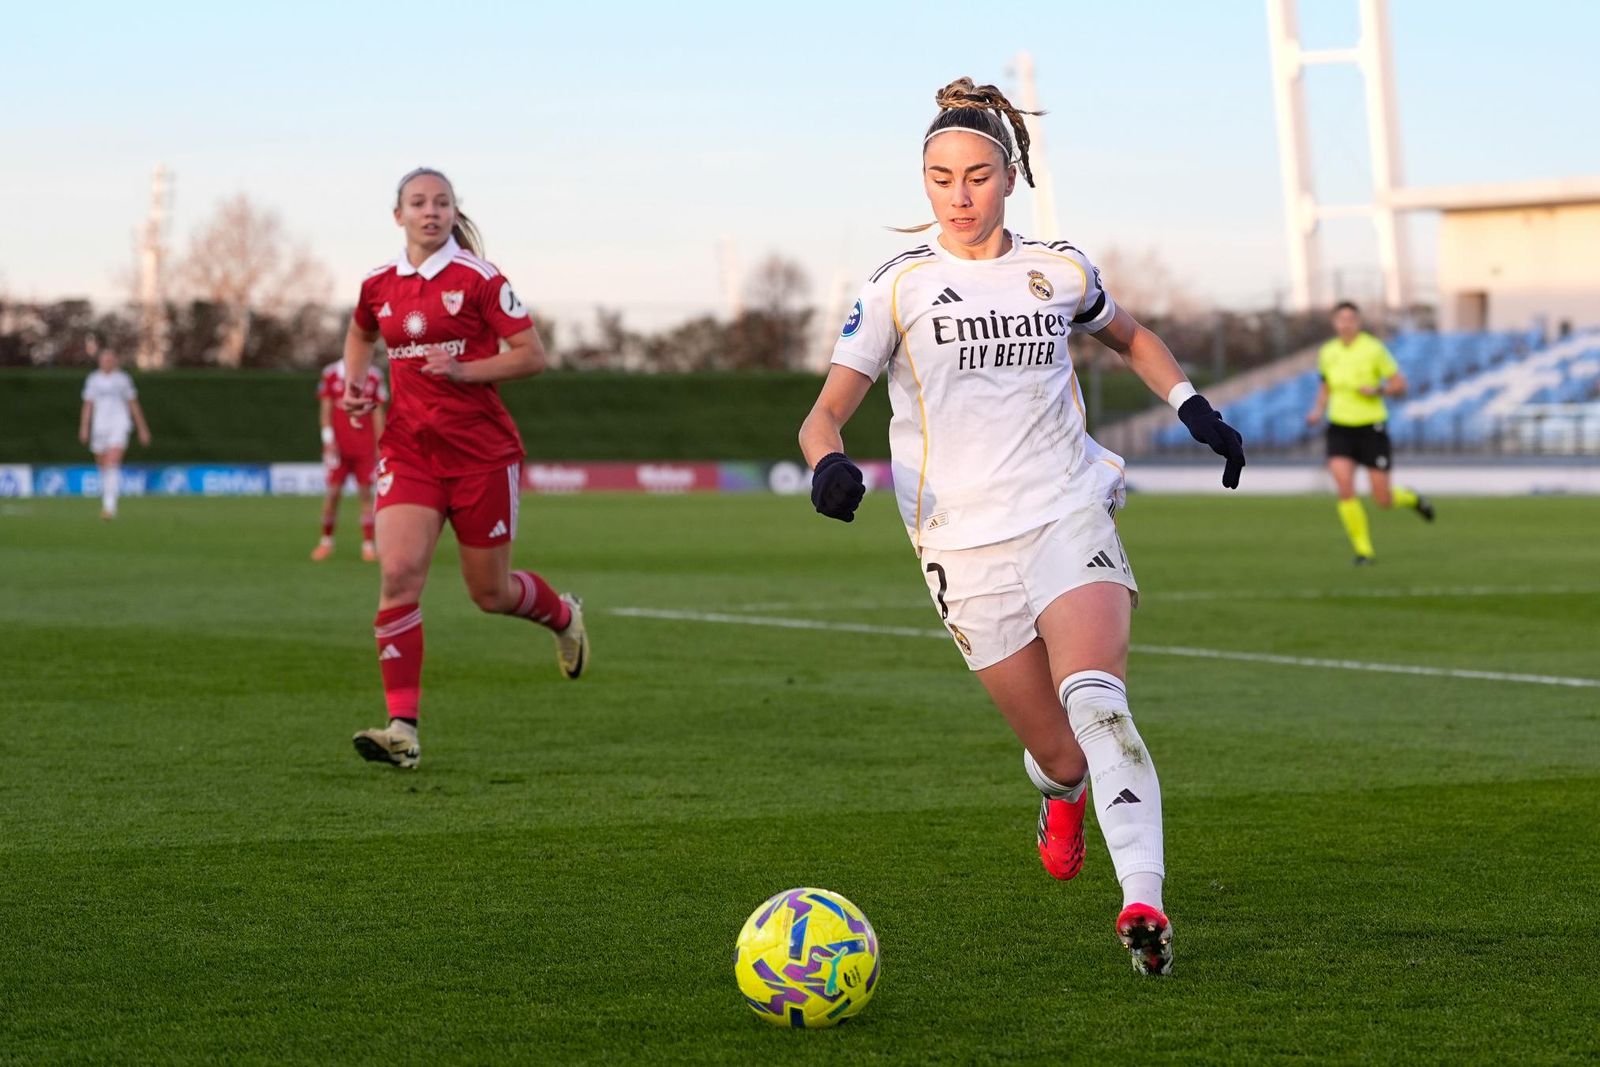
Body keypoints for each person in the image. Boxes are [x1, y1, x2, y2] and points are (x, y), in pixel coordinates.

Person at [798, 78, 1246, 976]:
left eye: (975, 175)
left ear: (1010, 176)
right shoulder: (898, 287)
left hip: (1065, 506)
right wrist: (829, 467)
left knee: (1098, 701)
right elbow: (823, 415)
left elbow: (1134, 335)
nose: (959, 197)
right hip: (960, 541)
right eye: (939, 178)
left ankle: (1143, 900)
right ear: (922, 184)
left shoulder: (1059, 269)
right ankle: (1061, 793)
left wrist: (1192, 404)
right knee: (1057, 750)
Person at [342, 166, 589, 770]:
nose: (431, 211)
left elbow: (532, 356)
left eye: (442, 202)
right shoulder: (378, 284)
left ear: (454, 213)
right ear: (397, 215)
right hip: (409, 452)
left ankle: (562, 614)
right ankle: (403, 729)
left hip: (481, 456)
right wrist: (357, 382)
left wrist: (463, 371)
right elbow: (359, 333)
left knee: (491, 593)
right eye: (418, 202)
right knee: (398, 574)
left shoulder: (480, 280)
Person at [1304, 301, 1434, 564]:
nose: (1346, 323)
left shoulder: (1374, 349)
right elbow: (1325, 386)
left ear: (1358, 321)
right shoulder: (1328, 351)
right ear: (1334, 323)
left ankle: (1411, 498)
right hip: (1339, 426)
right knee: (1344, 487)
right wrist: (1318, 410)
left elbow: (1400, 384)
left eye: (1351, 318)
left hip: (1371, 427)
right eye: (1341, 319)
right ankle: (1364, 551)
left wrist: (1379, 391)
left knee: (1382, 498)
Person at [311, 359, 387, 562]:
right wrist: (328, 440)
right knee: (333, 493)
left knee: (366, 495)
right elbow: (326, 410)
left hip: (364, 448)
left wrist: (381, 444)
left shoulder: (374, 376)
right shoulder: (331, 373)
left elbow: (378, 411)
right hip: (338, 448)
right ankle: (326, 541)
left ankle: (369, 545)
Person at [78, 347, 151, 520]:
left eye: (111, 359)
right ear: (100, 361)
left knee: (113, 461)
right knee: (102, 463)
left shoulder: (123, 380)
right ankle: (107, 497)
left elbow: (133, 403)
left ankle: (109, 506)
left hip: (119, 424)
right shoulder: (93, 380)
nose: (108, 362)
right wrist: (84, 427)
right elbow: (88, 404)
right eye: (105, 359)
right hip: (99, 427)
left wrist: (142, 428)